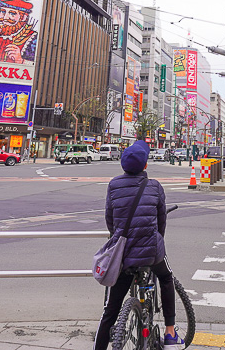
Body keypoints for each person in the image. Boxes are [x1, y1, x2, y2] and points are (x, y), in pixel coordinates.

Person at [94, 141, 183, 350]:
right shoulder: (154, 186)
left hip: (123, 255)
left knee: (111, 310)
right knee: (166, 277)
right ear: (145, 166)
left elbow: (111, 221)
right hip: (152, 252)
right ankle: (170, 333)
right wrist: (156, 241)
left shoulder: (114, 185)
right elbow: (161, 222)